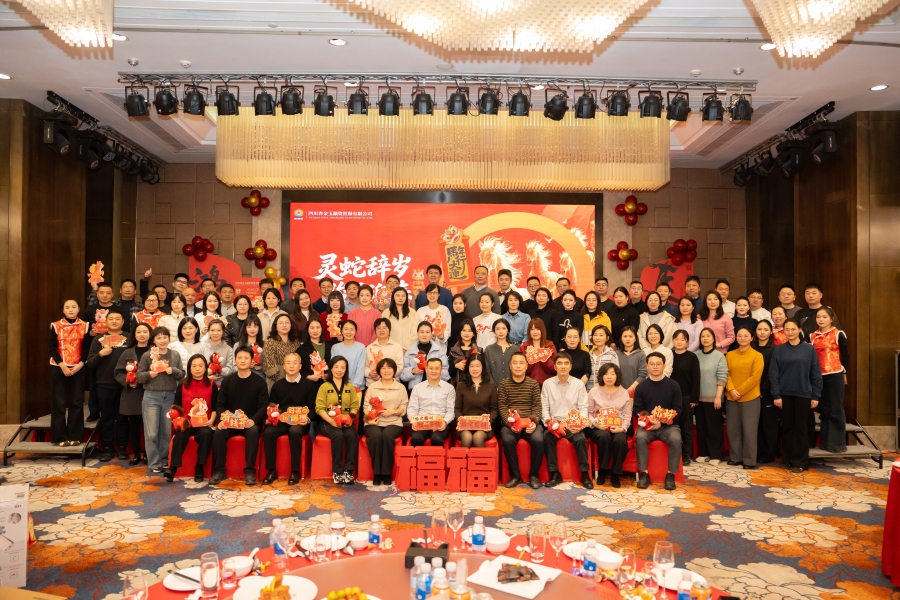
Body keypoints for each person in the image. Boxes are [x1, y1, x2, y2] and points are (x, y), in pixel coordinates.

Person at [210, 346, 269, 485]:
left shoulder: (260, 382)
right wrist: (223, 418)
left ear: (252, 360)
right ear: (235, 360)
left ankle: (250, 471)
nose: (243, 360)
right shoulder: (227, 381)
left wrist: (254, 420)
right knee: (218, 432)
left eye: (246, 358)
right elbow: (220, 404)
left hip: (249, 421)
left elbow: (263, 406)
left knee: (253, 432)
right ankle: (219, 471)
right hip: (231, 422)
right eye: (240, 358)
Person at [771, 318, 823, 473]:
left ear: (800, 329)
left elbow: (815, 373)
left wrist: (816, 396)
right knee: (787, 428)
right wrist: (776, 395)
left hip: (804, 394)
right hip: (784, 395)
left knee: (801, 429)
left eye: (793, 329)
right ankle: (788, 459)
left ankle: (800, 462)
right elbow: (774, 374)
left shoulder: (809, 349)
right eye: (787, 329)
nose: (790, 332)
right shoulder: (779, 350)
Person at [261, 353, 317, 485]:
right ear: (284, 366)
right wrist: (273, 413)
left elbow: (314, 408)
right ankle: (271, 470)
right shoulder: (277, 385)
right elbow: (272, 405)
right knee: (268, 432)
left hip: (300, 421)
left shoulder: (308, 385)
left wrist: (307, 419)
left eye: (295, 363)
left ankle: (295, 471)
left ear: (300, 366)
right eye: (288, 363)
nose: (292, 366)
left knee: (294, 431)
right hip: (282, 420)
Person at [136, 327, 185, 474]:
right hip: (151, 396)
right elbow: (139, 376)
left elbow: (182, 374)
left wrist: (173, 371)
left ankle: (164, 460)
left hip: (169, 396)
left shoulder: (174, 355)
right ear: (153, 340)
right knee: (151, 432)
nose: (162, 340)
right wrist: (150, 374)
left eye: (165, 337)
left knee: (166, 432)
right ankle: (154, 462)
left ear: (169, 338)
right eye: (159, 338)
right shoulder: (148, 355)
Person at [540, 353, 593, 488]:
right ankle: (554, 474)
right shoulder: (547, 384)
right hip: (555, 425)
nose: (563, 366)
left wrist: (579, 425)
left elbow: (583, 407)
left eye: (566, 363)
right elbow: (544, 407)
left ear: (570, 366)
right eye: (559, 363)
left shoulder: (579, 384)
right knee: (547, 437)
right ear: (554, 367)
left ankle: (585, 474)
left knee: (580, 439)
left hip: (572, 424)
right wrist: (549, 423)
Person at [86, 307, 130, 461]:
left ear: (123, 322)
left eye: (118, 319)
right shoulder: (98, 339)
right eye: (111, 319)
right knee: (106, 419)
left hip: (124, 386)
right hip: (104, 385)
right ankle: (107, 449)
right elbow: (90, 362)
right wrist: (100, 354)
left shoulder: (129, 338)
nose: (114, 321)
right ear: (106, 321)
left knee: (123, 419)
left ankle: (122, 448)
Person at [165, 354, 218, 482]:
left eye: (200, 366)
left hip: (204, 422)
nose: (197, 369)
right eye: (194, 366)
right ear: (189, 368)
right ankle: (173, 469)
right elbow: (176, 405)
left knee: (206, 434)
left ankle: (199, 467)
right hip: (186, 422)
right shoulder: (182, 384)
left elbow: (216, 407)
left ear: (205, 368)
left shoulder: (212, 385)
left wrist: (211, 420)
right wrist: (176, 417)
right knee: (180, 435)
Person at [634, 352, 683, 490]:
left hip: (668, 426)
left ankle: (670, 474)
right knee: (640, 437)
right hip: (648, 426)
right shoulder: (641, 387)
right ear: (647, 366)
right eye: (652, 364)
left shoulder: (674, 385)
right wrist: (650, 421)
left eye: (658, 364)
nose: (655, 367)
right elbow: (637, 409)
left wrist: (661, 422)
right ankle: (644, 474)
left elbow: (678, 409)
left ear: (664, 365)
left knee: (676, 439)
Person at [499, 352, 545, 489]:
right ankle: (515, 475)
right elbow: (502, 407)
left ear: (526, 366)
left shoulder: (533, 384)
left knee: (538, 439)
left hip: (529, 422)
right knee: (507, 440)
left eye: (521, 363)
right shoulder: (504, 385)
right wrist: (509, 424)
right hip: (512, 424)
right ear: (510, 366)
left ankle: (534, 475)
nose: (518, 366)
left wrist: (534, 422)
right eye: (515, 363)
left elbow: (537, 407)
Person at [363, 358, 409, 486]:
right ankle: (377, 473)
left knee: (387, 436)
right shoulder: (373, 387)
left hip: (394, 421)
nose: (386, 371)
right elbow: (366, 407)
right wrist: (370, 420)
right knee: (376, 436)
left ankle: (386, 473)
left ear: (394, 370)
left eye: (389, 368)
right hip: (374, 422)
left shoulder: (400, 388)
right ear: (379, 371)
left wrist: (393, 411)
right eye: (383, 368)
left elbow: (404, 407)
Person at [809, 307, 849, 453]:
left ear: (831, 319)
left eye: (824, 317)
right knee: (824, 409)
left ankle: (837, 444)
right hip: (818, 376)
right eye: (818, 317)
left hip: (835, 374)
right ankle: (825, 442)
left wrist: (845, 372)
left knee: (835, 409)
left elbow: (846, 355)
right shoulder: (812, 336)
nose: (821, 319)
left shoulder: (838, 334)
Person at [50, 299, 89, 446]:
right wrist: (62, 366)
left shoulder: (85, 325)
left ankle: (75, 436)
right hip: (59, 366)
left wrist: (80, 364)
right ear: (63, 310)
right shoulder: (55, 325)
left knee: (76, 401)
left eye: (74, 307)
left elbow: (87, 347)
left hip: (78, 367)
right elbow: (52, 348)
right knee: (59, 402)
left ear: (79, 309)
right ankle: (59, 437)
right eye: (67, 307)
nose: (71, 309)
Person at [586, 363, 631, 488]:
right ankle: (602, 470)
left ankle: (616, 473)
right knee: (604, 437)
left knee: (620, 440)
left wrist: (622, 428)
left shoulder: (624, 393)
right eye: (606, 374)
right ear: (601, 376)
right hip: (598, 427)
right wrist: (596, 424)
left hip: (618, 426)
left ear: (617, 376)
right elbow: (588, 413)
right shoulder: (593, 392)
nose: (609, 377)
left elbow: (627, 415)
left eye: (612, 374)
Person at [725, 327, 764, 469]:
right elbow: (726, 374)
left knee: (749, 430)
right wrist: (731, 389)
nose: (742, 338)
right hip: (731, 397)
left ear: (752, 338)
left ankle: (749, 460)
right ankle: (736, 457)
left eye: (746, 335)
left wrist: (739, 391)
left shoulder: (757, 355)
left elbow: (755, 377)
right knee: (733, 429)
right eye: (740, 335)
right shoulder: (729, 355)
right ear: (736, 337)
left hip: (750, 397)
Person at [114, 322, 151, 465]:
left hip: (150, 393)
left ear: (150, 334)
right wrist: (128, 382)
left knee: (150, 427)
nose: (142, 335)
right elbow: (118, 372)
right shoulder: (127, 352)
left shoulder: (154, 351)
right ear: (134, 335)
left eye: (145, 332)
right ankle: (136, 454)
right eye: (139, 332)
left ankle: (148, 454)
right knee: (134, 427)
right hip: (132, 395)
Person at [694, 327, 729, 465]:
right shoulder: (696, 355)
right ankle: (704, 453)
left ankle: (716, 455)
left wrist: (718, 396)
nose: (705, 338)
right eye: (703, 336)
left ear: (714, 339)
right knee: (701, 427)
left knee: (714, 428)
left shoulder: (719, 356)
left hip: (714, 398)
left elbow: (722, 377)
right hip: (699, 399)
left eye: (708, 336)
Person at [82, 282, 115, 422]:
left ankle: (114, 412)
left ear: (113, 295)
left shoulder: (117, 310)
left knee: (114, 382)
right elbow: (81, 330)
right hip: (95, 350)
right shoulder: (89, 310)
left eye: (108, 293)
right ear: (97, 294)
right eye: (102, 292)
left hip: (114, 349)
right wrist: (89, 333)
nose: (105, 295)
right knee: (94, 382)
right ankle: (94, 412)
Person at [407, 358, 456, 447]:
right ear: (426, 369)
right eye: (431, 368)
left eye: (437, 368)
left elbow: (450, 410)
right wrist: (413, 421)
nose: (434, 371)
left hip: (440, 422)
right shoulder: (417, 388)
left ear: (441, 370)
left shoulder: (449, 388)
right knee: (416, 438)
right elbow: (412, 409)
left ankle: (435, 457)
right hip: (421, 422)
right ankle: (420, 457)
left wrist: (444, 422)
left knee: (436, 438)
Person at [455, 354, 498, 448]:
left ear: (483, 367)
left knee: (477, 437)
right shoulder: (461, 385)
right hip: (465, 425)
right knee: (467, 437)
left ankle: (481, 458)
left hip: (484, 426)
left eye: (478, 366)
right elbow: (457, 409)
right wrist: (460, 420)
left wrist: (488, 420)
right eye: (472, 366)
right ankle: (464, 458)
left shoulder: (491, 386)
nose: (475, 369)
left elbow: (494, 410)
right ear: (468, 368)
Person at [670, 330, 700, 466]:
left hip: (687, 397)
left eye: (682, 339)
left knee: (686, 427)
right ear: (673, 340)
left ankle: (686, 455)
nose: (679, 342)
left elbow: (696, 378)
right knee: (672, 426)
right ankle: (674, 454)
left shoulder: (692, 357)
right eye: (676, 339)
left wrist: (694, 398)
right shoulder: (669, 356)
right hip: (671, 398)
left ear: (687, 342)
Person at [753, 320, 779, 464]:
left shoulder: (775, 349)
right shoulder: (751, 347)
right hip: (751, 392)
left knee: (768, 424)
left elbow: (774, 373)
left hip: (768, 392)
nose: (762, 332)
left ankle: (768, 454)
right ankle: (756, 452)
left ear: (771, 332)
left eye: (765, 329)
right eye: (759, 329)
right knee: (755, 424)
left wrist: (764, 389)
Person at [400, 321, 450, 390]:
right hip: (415, 389)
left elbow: (446, 375)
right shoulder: (410, 352)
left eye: (427, 332)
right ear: (417, 333)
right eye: (422, 332)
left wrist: (433, 371)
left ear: (431, 334)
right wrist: (412, 371)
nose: (424, 335)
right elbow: (402, 375)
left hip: (435, 389)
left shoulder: (439, 352)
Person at [262, 314, 301, 389]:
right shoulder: (270, 342)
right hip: (275, 383)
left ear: (291, 325)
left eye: (287, 322)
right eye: (281, 323)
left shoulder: (296, 343)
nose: (284, 325)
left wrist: (292, 379)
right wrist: (284, 381)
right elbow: (268, 366)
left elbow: (299, 363)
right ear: (276, 326)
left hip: (295, 381)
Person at [331, 320, 366, 393]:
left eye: (351, 329)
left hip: (356, 388)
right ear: (341, 331)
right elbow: (333, 368)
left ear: (355, 332)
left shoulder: (361, 347)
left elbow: (360, 369)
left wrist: (354, 386)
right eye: (346, 329)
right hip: (338, 387)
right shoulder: (335, 348)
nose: (349, 332)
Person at [417, 284, 453, 353]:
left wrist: (442, 337)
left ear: (439, 294)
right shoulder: (420, 311)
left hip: (440, 349)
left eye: (435, 293)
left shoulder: (444, 310)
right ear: (426, 294)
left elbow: (448, 330)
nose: (432, 295)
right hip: (424, 348)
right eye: (430, 293)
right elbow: (417, 330)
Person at [519, 318, 557, 386]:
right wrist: (531, 358)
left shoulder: (550, 346)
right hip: (528, 385)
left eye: (537, 329)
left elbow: (554, 368)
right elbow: (521, 369)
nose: (535, 332)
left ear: (542, 330)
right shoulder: (524, 347)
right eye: (532, 329)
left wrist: (543, 357)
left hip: (547, 385)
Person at [200, 320, 236, 386]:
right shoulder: (202, 348)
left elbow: (230, 369)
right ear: (208, 331)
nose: (215, 333)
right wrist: (206, 376)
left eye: (218, 330)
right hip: (204, 384)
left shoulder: (229, 349)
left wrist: (213, 371)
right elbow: (197, 367)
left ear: (223, 331)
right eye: (212, 330)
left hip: (223, 385)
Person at [383, 287, 418, 352]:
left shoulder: (413, 313)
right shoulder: (386, 313)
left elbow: (415, 333)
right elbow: (384, 332)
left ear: (406, 297)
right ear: (393, 297)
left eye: (403, 296)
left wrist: (405, 348)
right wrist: (392, 347)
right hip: (391, 349)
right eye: (398, 295)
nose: (400, 298)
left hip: (409, 350)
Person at [484, 319, 516, 385]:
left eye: (504, 328)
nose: (501, 331)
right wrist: (493, 387)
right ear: (494, 331)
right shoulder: (488, 350)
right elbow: (487, 370)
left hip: (512, 387)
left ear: (508, 331)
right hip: (493, 387)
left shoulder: (515, 349)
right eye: (497, 329)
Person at [616, 326, 647, 396]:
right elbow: (614, 373)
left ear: (635, 338)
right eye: (625, 336)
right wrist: (620, 388)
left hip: (636, 392)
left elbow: (643, 375)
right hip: (618, 391)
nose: (627, 339)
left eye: (630, 336)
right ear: (621, 338)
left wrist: (630, 389)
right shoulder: (616, 354)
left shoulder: (641, 355)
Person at [298, 320, 331, 384]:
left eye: (318, 327)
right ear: (308, 330)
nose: (315, 330)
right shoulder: (302, 349)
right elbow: (296, 367)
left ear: (322, 329)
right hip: (309, 385)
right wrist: (308, 376)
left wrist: (329, 375)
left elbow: (333, 365)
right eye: (312, 328)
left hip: (326, 385)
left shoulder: (329, 347)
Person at [587, 325, 619, 391]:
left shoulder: (612, 354)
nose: (597, 338)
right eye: (595, 335)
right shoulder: (590, 354)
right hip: (590, 391)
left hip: (605, 391)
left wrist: (601, 385)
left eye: (601, 335)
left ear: (607, 338)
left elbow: (616, 374)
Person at [449, 319, 479, 385]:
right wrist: (456, 366)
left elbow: (483, 370)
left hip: (474, 385)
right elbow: (449, 372)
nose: (466, 333)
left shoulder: (479, 350)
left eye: (469, 331)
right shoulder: (453, 351)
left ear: (473, 333)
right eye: (464, 330)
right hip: (457, 385)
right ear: (460, 332)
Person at [234, 315, 265, 379]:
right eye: (249, 326)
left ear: (259, 328)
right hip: (241, 378)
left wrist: (260, 367)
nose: (252, 329)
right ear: (245, 328)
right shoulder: (238, 345)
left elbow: (269, 367)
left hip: (260, 378)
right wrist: (246, 366)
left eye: (255, 326)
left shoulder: (265, 345)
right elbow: (233, 367)